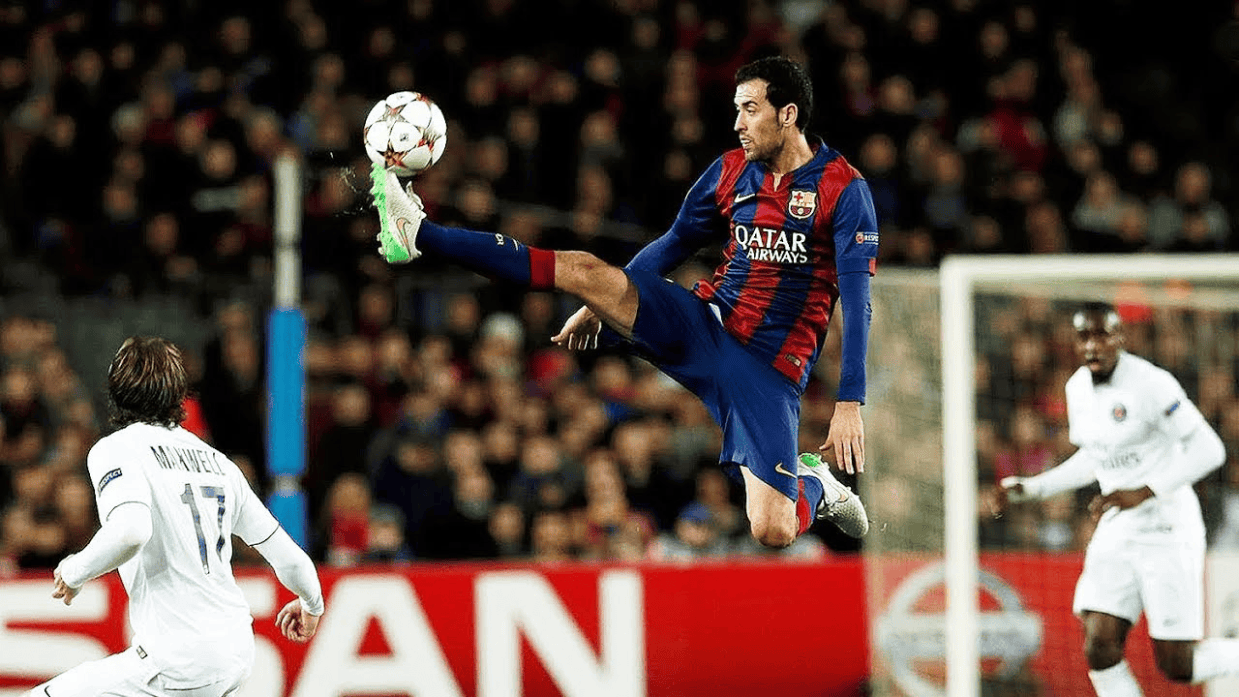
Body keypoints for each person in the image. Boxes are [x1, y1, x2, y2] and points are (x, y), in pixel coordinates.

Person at [370, 56, 873, 547]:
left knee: (773, 529)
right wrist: (601, 301)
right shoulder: (730, 171)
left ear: (788, 114)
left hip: (766, 371)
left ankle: (816, 485)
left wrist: (849, 402)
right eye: (736, 109)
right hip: (705, 324)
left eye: (750, 109)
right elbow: (676, 242)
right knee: (585, 271)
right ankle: (421, 234)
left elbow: (857, 302)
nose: (737, 123)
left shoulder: (844, 190)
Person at [33, 337, 325, 697]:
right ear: (179, 394)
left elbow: (130, 532)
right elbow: (291, 558)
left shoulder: (116, 449)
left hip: (179, 661)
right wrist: (312, 604)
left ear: (116, 390)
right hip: (236, 650)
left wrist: (74, 571)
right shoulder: (219, 463)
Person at [995, 303, 1239, 695]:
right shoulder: (1076, 388)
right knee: (1099, 646)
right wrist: (1034, 487)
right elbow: (1094, 456)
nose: (1093, 345)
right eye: (1084, 337)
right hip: (1119, 528)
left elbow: (1210, 450)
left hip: (1167, 527)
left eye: (1102, 335)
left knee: (1177, 665)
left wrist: (1144, 491)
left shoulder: (1152, 384)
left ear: (1119, 338)